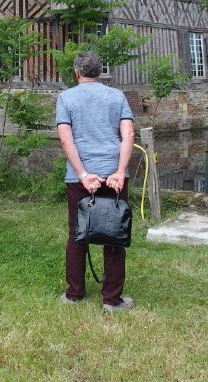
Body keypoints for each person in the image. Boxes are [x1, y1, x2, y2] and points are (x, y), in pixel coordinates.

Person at [56, 51, 135, 313]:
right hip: (113, 178)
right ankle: (111, 300)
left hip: (80, 179)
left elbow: (66, 139)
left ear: (76, 72)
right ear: (99, 72)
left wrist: (82, 174)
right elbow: (128, 135)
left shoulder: (66, 98)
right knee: (115, 235)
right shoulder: (117, 96)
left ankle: (74, 294)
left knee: (77, 234)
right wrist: (120, 172)